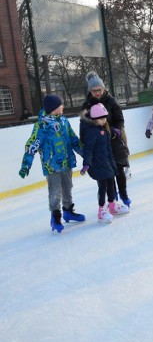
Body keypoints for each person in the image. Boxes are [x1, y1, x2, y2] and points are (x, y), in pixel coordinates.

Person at [18, 94, 85, 233]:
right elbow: (32, 145)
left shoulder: (64, 121)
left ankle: (68, 211)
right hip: (52, 165)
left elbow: (73, 140)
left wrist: (87, 155)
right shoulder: (42, 126)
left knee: (68, 187)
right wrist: (26, 164)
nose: (63, 107)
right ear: (53, 108)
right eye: (61, 105)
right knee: (55, 192)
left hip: (66, 162)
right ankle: (55, 217)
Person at [82, 71, 132, 209]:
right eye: (94, 90)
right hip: (100, 142)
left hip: (114, 139)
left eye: (100, 89)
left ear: (104, 88)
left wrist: (117, 129)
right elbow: (85, 124)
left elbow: (120, 118)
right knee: (106, 172)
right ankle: (112, 196)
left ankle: (123, 193)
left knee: (119, 169)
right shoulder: (87, 104)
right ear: (90, 91)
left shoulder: (111, 101)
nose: (97, 92)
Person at [79, 103, 129, 223]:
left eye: (105, 117)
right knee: (102, 188)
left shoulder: (103, 128)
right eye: (101, 118)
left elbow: (105, 137)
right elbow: (88, 149)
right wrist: (86, 164)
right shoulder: (91, 132)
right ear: (94, 119)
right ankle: (101, 211)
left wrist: (113, 130)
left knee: (111, 185)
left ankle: (112, 206)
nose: (104, 120)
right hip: (98, 165)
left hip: (108, 163)